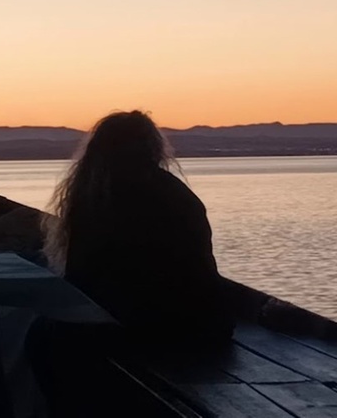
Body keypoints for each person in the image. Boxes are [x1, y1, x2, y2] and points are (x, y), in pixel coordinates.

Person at [26, 110, 234, 416]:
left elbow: (83, 282)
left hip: (153, 324)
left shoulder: (98, 200)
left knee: (43, 338)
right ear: (152, 149)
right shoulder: (176, 192)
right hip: (202, 319)